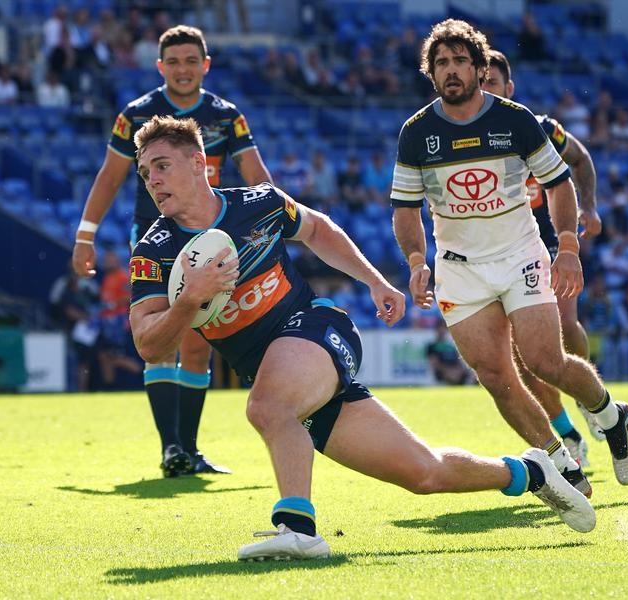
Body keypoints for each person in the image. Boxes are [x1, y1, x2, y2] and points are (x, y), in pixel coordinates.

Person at [128, 114, 595, 561]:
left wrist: (374, 281)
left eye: (162, 166)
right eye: (146, 173)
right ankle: (531, 472)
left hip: (317, 329)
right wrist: (189, 301)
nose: (153, 180)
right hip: (290, 379)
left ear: (198, 162)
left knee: (266, 407)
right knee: (425, 473)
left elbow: (316, 228)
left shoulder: (259, 202)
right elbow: (148, 344)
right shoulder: (153, 251)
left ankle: (297, 530)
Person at [390, 19, 628, 496]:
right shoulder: (416, 133)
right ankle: (561, 463)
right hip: (459, 268)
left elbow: (560, 183)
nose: (451, 70)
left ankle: (612, 416)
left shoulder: (518, 120)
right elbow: (405, 208)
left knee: (545, 361)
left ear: (479, 67)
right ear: (430, 72)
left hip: (519, 255)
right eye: (441, 62)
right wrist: (417, 261)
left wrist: (568, 246)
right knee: (496, 377)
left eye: (460, 60)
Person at [71, 26, 272, 478]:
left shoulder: (227, 116)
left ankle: (190, 449)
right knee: (162, 336)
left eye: (191, 61)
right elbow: (110, 176)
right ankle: (171, 449)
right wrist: (85, 235)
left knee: (198, 345)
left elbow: (256, 174)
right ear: (160, 67)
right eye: (174, 62)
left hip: (208, 236)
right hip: (155, 237)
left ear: (206, 65)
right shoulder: (135, 115)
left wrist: (272, 217)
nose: (183, 70)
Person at [483, 50, 604, 455]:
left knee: (565, 326)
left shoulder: (541, 129)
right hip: (501, 251)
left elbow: (580, 159)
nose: (485, 92)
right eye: (480, 84)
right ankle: (568, 433)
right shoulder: (461, 143)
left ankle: (590, 396)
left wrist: (588, 207)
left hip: (549, 241)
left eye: (493, 84)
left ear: (509, 88)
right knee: (524, 356)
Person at [425, 320, 472, 385]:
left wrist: (459, 370)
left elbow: (458, 361)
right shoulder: (432, 346)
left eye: (444, 328)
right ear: (436, 330)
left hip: (455, 371)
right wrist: (447, 370)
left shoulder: (451, 346)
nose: (442, 331)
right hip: (442, 372)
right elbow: (434, 363)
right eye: (440, 328)